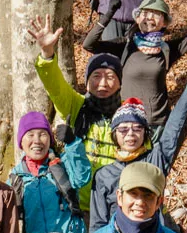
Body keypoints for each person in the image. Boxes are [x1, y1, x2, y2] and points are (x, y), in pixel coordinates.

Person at [27, 17, 124, 206]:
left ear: (120, 83)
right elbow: (55, 86)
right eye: (96, 76)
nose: (103, 83)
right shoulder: (76, 105)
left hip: (116, 205)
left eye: (110, 77)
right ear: (87, 83)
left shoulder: (127, 114)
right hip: (79, 204)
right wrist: (47, 53)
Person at [86, 82, 187, 230]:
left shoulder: (155, 159)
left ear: (145, 133)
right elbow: (98, 224)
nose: (130, 134)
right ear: (114, 135)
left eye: (137, 128)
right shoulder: (103, 175)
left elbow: (175, 128)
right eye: (123, 129)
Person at [7, 110, 90, 233]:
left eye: (42, 134)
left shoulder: (63, 164)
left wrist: (72, 143)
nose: (37, 141)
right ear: (21, 142)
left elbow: (82, 177)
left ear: (50, 139)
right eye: (30, 135)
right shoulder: (15, 179)